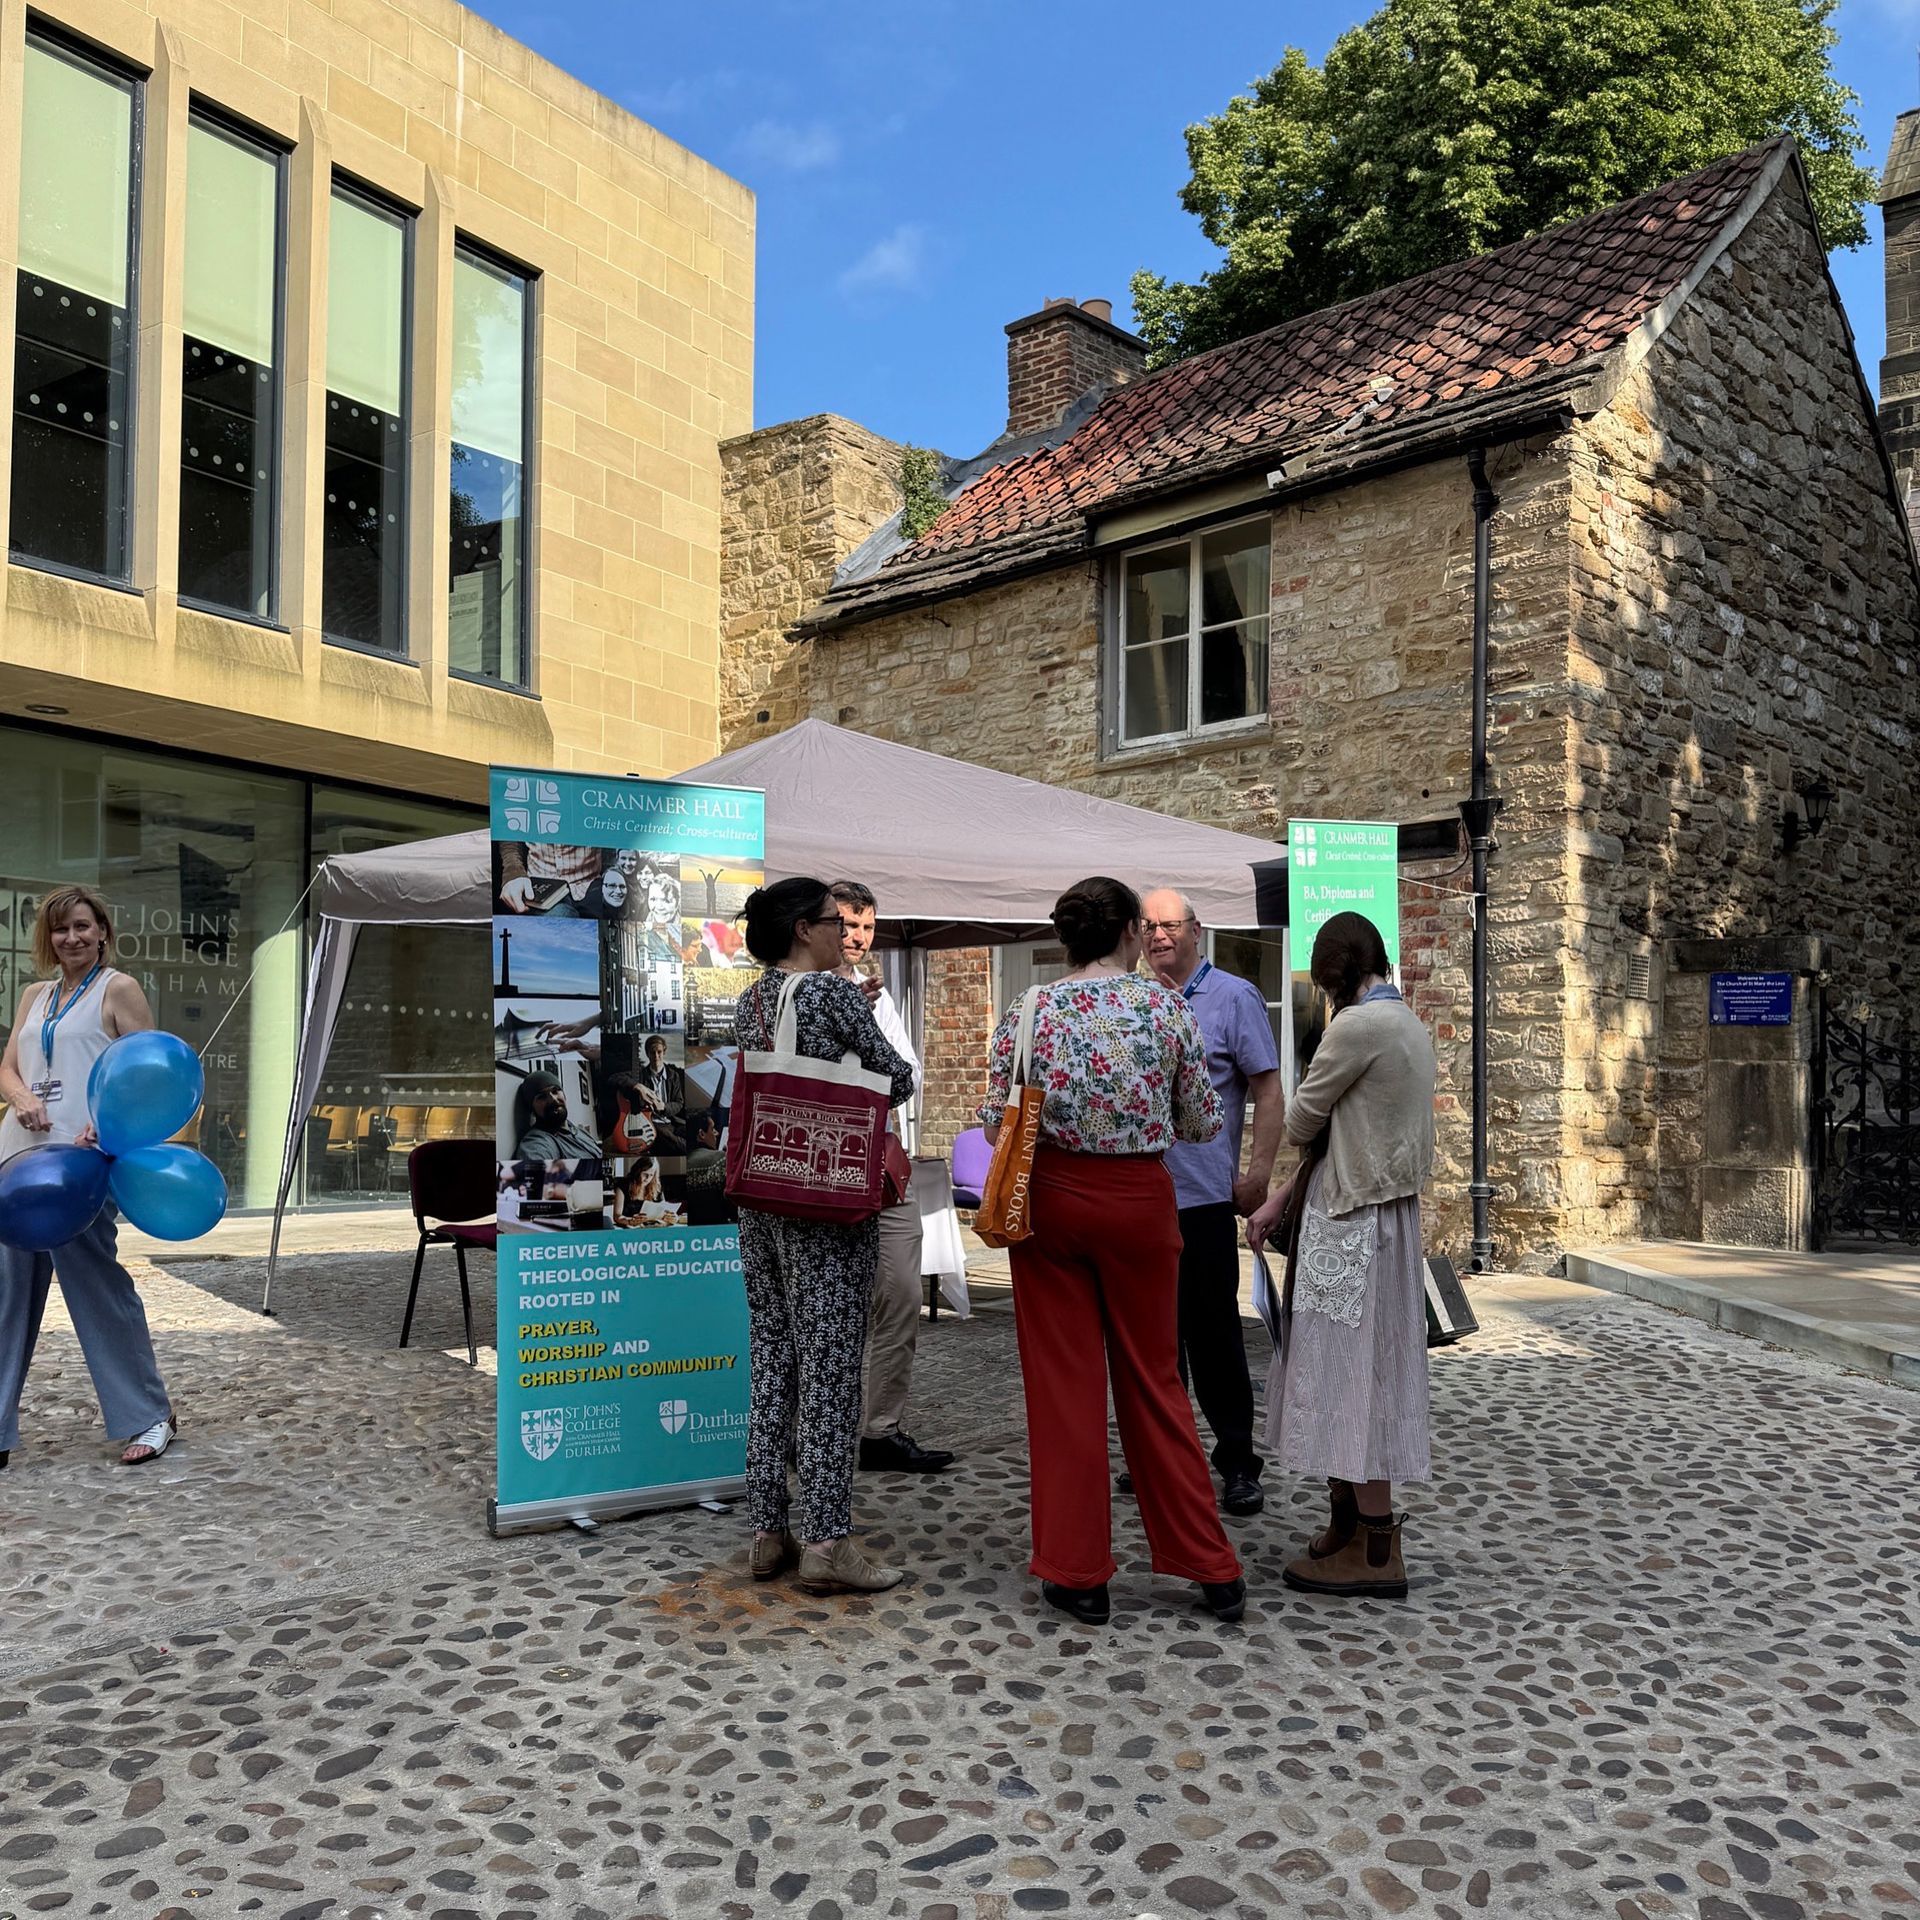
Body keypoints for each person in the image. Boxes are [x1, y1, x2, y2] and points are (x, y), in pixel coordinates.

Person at [980, 877, 1246, 1627]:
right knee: (1156, 1379)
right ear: (1131, 931)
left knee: (1064, 1387)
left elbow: (993, 1111)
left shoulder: (1030, 1009)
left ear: (1067, 937)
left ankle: (1079, 1573)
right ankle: (1210, 1566)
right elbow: (1201, 1120)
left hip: (1053, 1201)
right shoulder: (1165, 1005)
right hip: (1139, 1201)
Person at [733, 878, 917, 1595]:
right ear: (804, 931)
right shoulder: (833, 993)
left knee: (774, 1358)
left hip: (762, 1194)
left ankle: (766, 1530)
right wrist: (855, 1044)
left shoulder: (750, 998)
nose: (845, 932)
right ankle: (828, 1540)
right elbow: (896, 1080)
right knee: (833, 1367)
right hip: (825, 1195)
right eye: (833, 922)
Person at [1246, 911, 1437, 1600]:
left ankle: (1377, 1549)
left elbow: (1302, 1123)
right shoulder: (1409, 1022)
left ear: (1332, 977)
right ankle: (1352, 1524)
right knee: (1366, 1370)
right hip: (1385, 1218)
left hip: (1352, 1223)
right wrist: (1279, 1203)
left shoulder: (1356, 1028)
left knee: (1354, 1377)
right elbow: (1347, 1135)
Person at [0, 887, 176, 1469]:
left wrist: (106, 1125)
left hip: (81, 1168)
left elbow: (146, 1074)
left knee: (97, 1291)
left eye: (81, 926)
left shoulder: (118, 990)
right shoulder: (34, 994)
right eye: (59, 930)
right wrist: (22, 1095)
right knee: (6, 1297)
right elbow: (7, 1067)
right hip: (18, 1162)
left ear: (102, 929)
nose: (70, 938)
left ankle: (148, 1416)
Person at [1137, 888, 1284, 1517]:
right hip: (1140, 1198)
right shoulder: (1133, 1001)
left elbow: (1269, 1089)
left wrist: (1258, 1173)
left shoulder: (1233, 996)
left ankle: (1237, 1462)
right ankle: (1166, 1461)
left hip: (1200, 1196)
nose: (1159, 935)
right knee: (1153, 1342)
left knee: (1214, 1337)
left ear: (1196, 931)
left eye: (1170, 925)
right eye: (1148, 926)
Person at [830, 880, 955, 1476]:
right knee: (830, 1308)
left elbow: (907, 1073)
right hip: (826, 1167)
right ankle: (819, 1433)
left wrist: (868, 1018)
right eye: (847, 925)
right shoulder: (798, 992)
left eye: (866, 928)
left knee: (902, 1293)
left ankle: (880, 1429)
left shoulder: (876, 996)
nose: (856, 938)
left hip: (883, 1165)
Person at [512, 1070, 602, 1161]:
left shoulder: (578, 1130)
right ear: (532, 1108)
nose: (553, 1099)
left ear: (564, 1095)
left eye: (555, 1091)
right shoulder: (535, 1143)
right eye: (542, 1097)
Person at [497, 843, 605, 916]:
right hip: (540, 884)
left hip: (590, 881)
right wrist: (513, 871)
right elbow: (510, 824)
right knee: (560, 916)